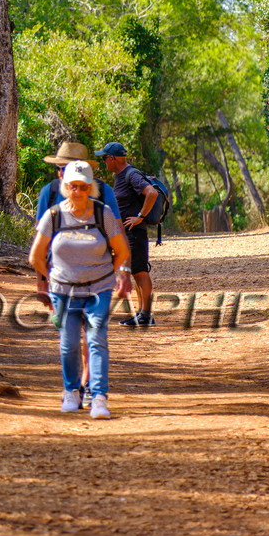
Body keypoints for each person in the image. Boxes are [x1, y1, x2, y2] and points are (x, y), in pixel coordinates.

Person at [29, 160, 132, 419]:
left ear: (90, 188)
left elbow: (121, 251)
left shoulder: (102, 213)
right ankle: (71, 392)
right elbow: (36, 256)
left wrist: (109, 273)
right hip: (63, 291)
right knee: (69, 344)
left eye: (83, 187)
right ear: (65, 187)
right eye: (73, 186)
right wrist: (52, 278)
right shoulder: (54, 215)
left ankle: (98, 397)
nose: (77, 192)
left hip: (99, 289)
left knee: (96, 341)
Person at [95, 142, 160, 328]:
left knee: (140, 271)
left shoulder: (131, 174)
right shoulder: (121, 176)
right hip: (128, 233)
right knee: (136, 272)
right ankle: (142, 313)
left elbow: (152, 193)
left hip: (135, 233)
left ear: (112, 158)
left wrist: (140, 217)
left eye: (104, 158)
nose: (104, 162)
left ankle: (146, 314)